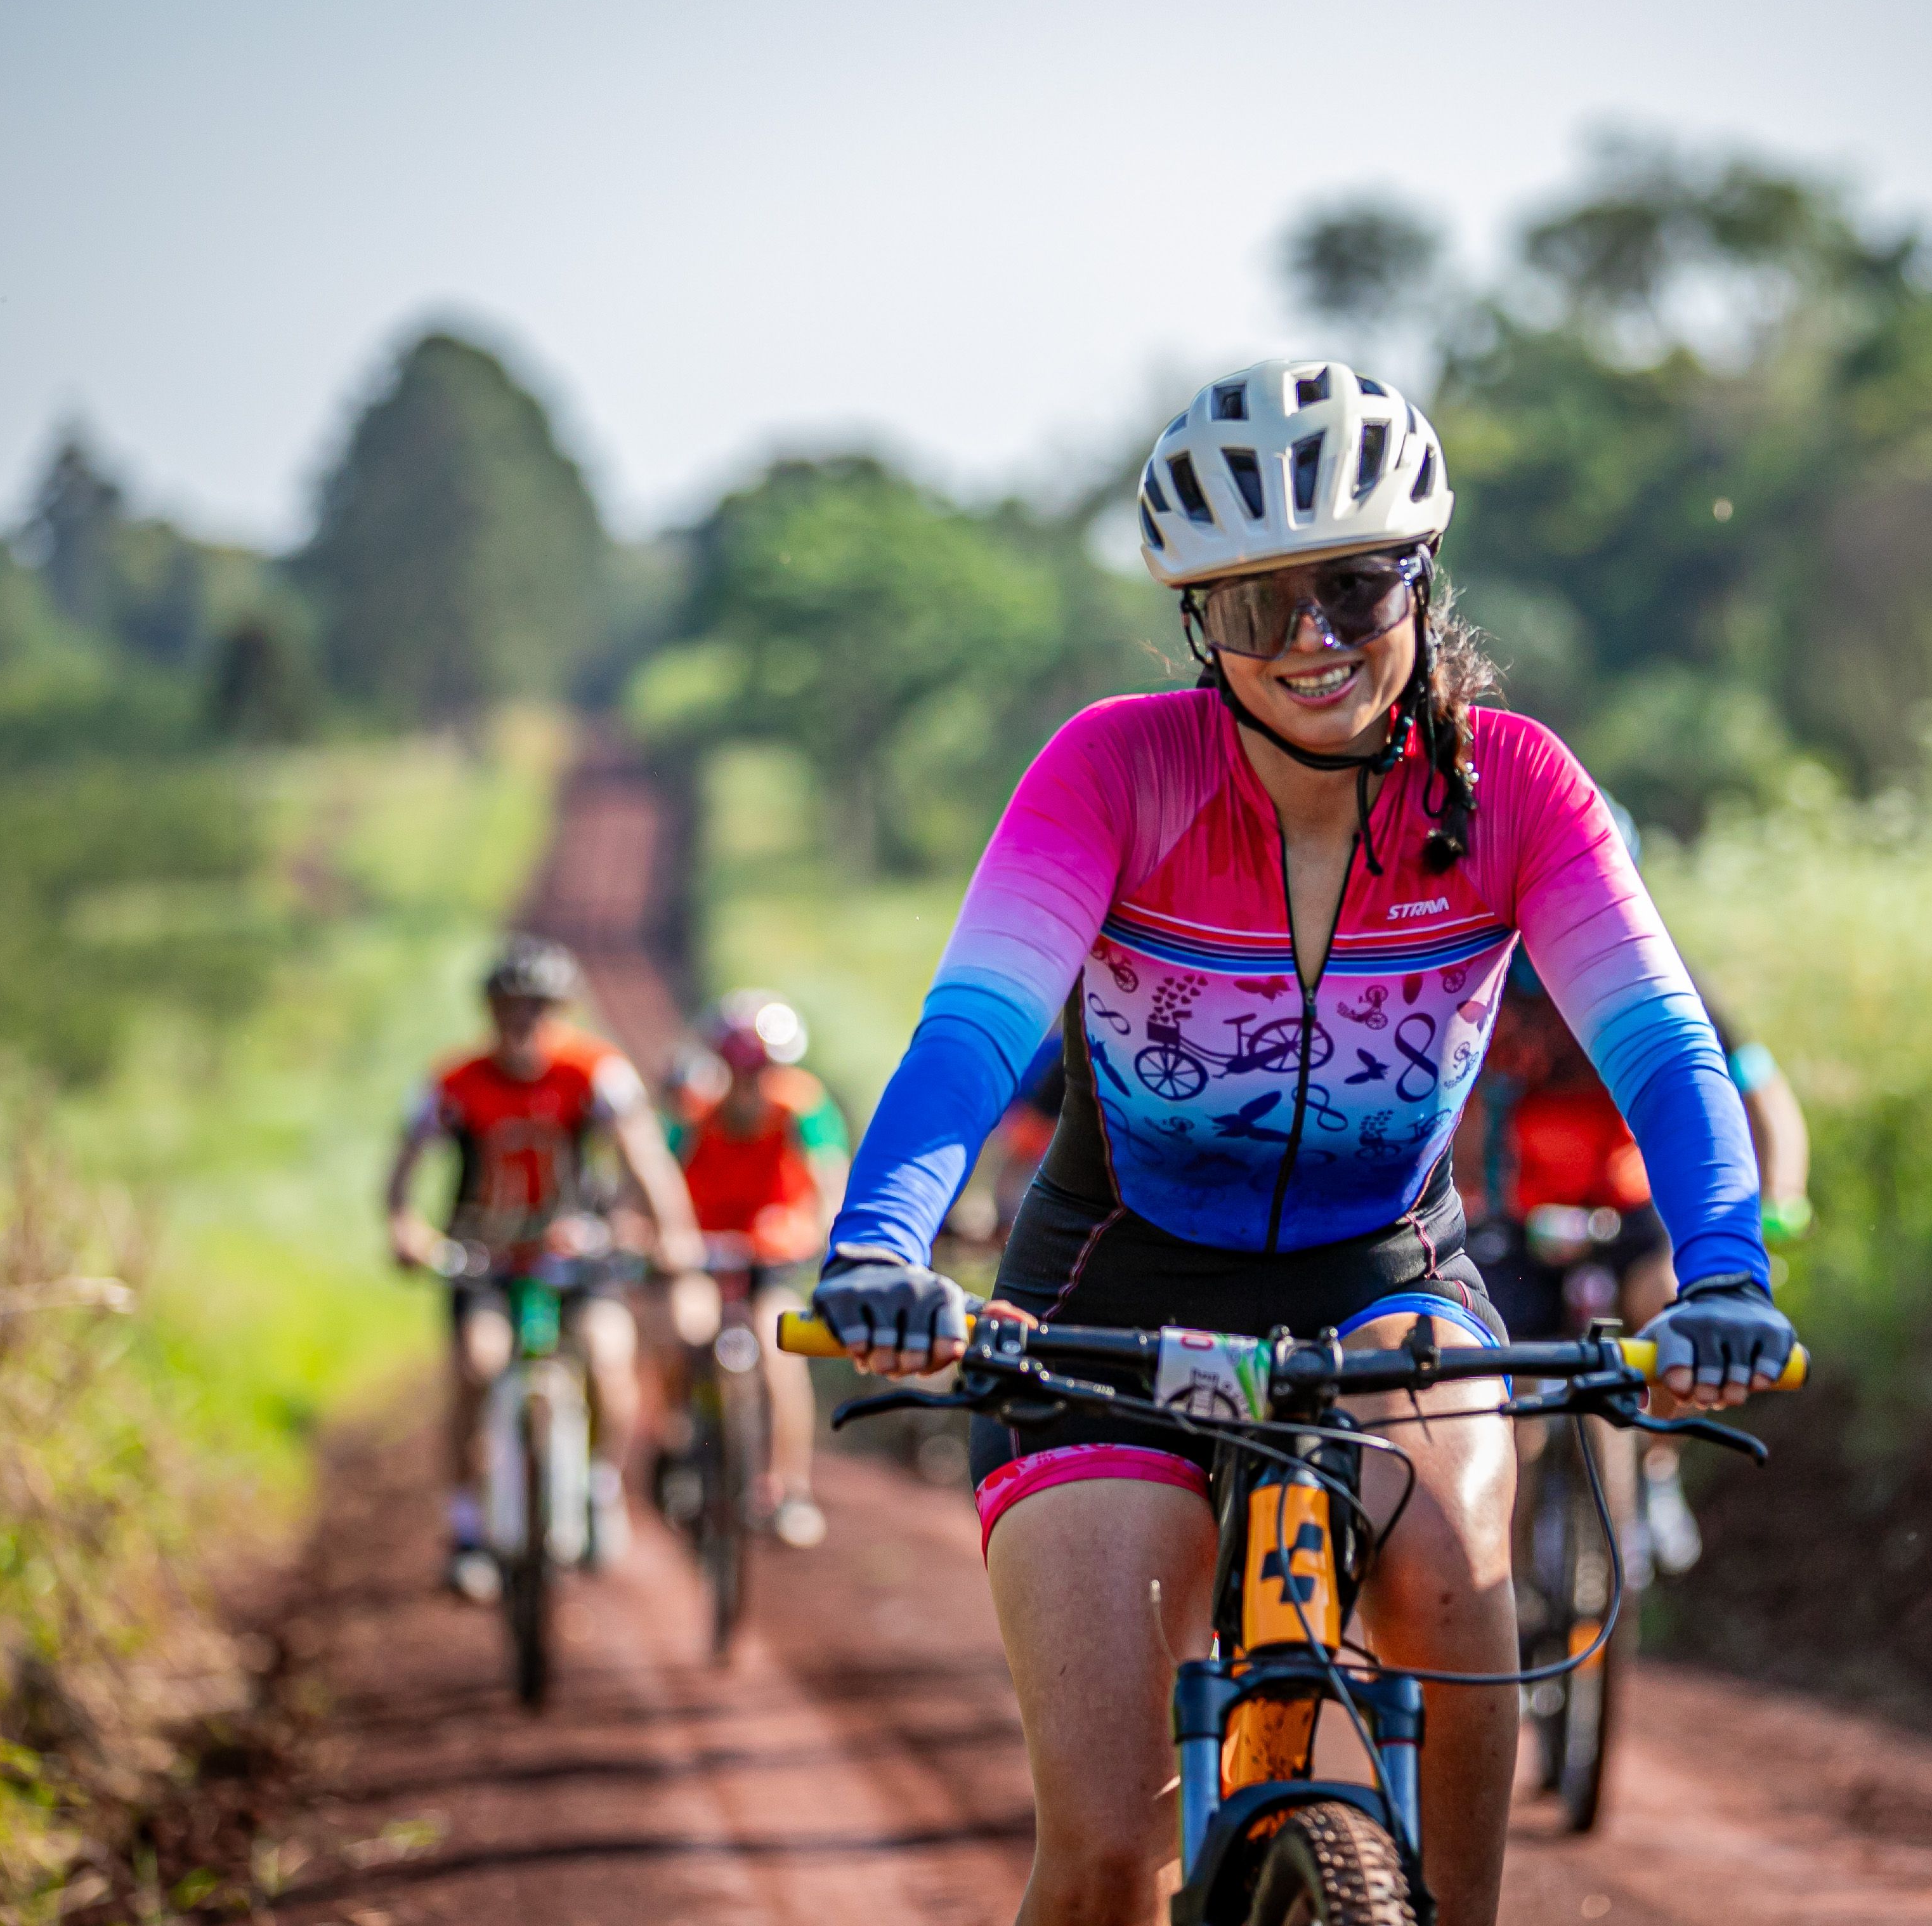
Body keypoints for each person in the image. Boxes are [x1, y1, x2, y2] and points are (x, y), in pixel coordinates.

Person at [807, 360, 1794, 1926]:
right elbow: (971, 1035)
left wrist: (1725, 1271)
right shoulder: (1113, 770)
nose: (1318, 639)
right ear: (1202, 620)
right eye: (1264, 604)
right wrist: (879, 1248)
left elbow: (1666, 1053)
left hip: (1386, 1281)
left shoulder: (1517, 788)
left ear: (1421, 578)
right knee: (1108, 1854)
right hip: (1107, 1292)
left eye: (1355, 586)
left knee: (1458, 1599)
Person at [1457, 931, 1813, 1574]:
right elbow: (1460, 1105)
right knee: (1505, 1382)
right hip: (1522, 1220)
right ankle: (1506, 1555)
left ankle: (1657, 1463)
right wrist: (1468, 1197)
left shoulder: (1653, 971)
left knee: (1671, 1301)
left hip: (1632, 1215)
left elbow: (1760, 1095)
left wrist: (1782, 1194)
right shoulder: (1488, 978)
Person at [386, 935, 707, 1598]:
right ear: (490, 1012)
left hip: (577, 1253)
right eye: (511, 1007)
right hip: (485, 1254)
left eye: (539, 1006)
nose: (524, 1020)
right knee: (478, 1364)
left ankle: (599, 1490)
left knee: (608, 1358)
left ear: (562, 1010)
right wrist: (405, 1229)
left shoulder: (595, 1071)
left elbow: (645, 1158)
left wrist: (674, 1235)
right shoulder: (454, 1081)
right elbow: (405, 1169)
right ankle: (467, 1528)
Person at [668, 989, 850, 1547]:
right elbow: (659, 1182)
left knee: (780, 1350)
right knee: (685, 1327)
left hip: (773, 1254)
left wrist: (827, 1230)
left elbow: (828, 1178)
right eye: (739, 1069)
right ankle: (679, 1442)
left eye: (762, 1070)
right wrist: (661, 1236)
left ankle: (789, 1487)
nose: (751, 1082)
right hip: (703, 1252)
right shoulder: (694, 1113)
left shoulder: (802, 1107)